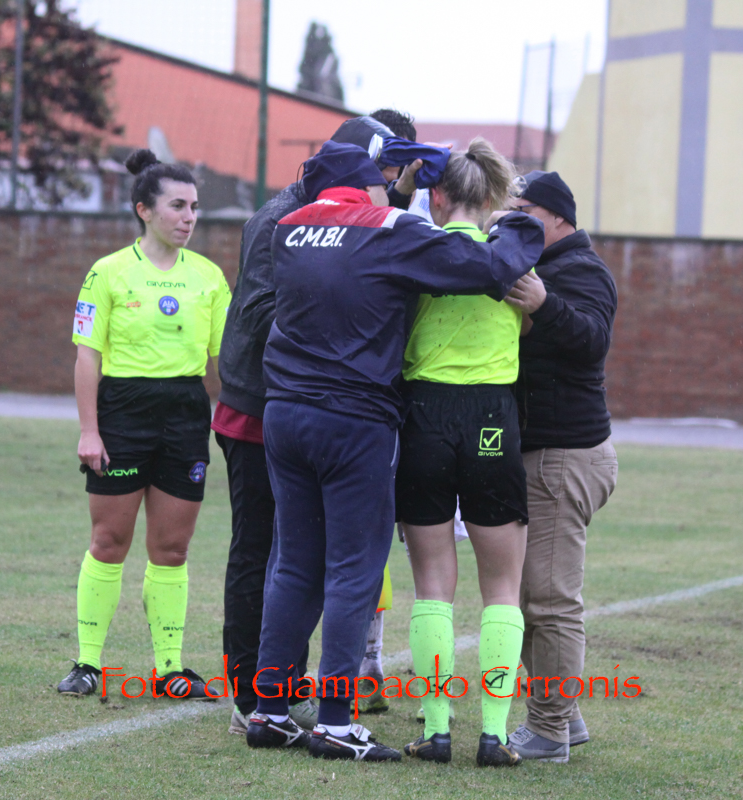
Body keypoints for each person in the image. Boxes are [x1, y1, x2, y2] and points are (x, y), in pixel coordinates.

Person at [242, 141, 543, 763]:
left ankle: (269, 710)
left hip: (285, 411)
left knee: (293, 565)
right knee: (354, 569)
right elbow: (484, 267)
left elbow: (352, 250)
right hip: (356, 417)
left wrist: (404, 193)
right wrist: (520, 226)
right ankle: (335, 720)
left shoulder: (288, 228)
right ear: (369, 185)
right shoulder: (391, 229)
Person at [213, 112, 421, 735]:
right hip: (261, 405)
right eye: (381, 173)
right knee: (264, 552)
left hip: (295, 399)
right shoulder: (281, 221)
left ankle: (283, 690)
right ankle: (251, 693)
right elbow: (261, 311)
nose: (384, 185)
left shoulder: (334, 216)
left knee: (301, 555)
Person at [57, 149, 231, 699]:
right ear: (144, 210)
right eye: (177, 206)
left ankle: (169, 669)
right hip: (123, 413)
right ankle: (88, 663)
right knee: (109, 540)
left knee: (172, 549)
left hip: (185, 413)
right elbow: (87, 356)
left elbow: (227, 358)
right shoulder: (107, 272)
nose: (188, 217)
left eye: (194, 207)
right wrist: (90, 430)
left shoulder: (208, 277)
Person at [395, 138, 528, 767]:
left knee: (432, 584)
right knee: (502, 586)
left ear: (438, 195)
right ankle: (495, 735)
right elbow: (533, 322)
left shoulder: (417, 253)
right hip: (492, 416)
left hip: (426, 411)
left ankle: (437, 729)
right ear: (492, 195)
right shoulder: (515, 261)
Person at [502, 171, 619, 762]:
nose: (511, 220)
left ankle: (548, 729)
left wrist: (545, 305)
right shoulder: (538, 263)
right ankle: (565, 717)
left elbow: (593, 339)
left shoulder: (581, 269)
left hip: (563, 456)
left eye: (521, 210)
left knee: (548, 600)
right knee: (527, 598)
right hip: (546, 454)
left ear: (555, 217)